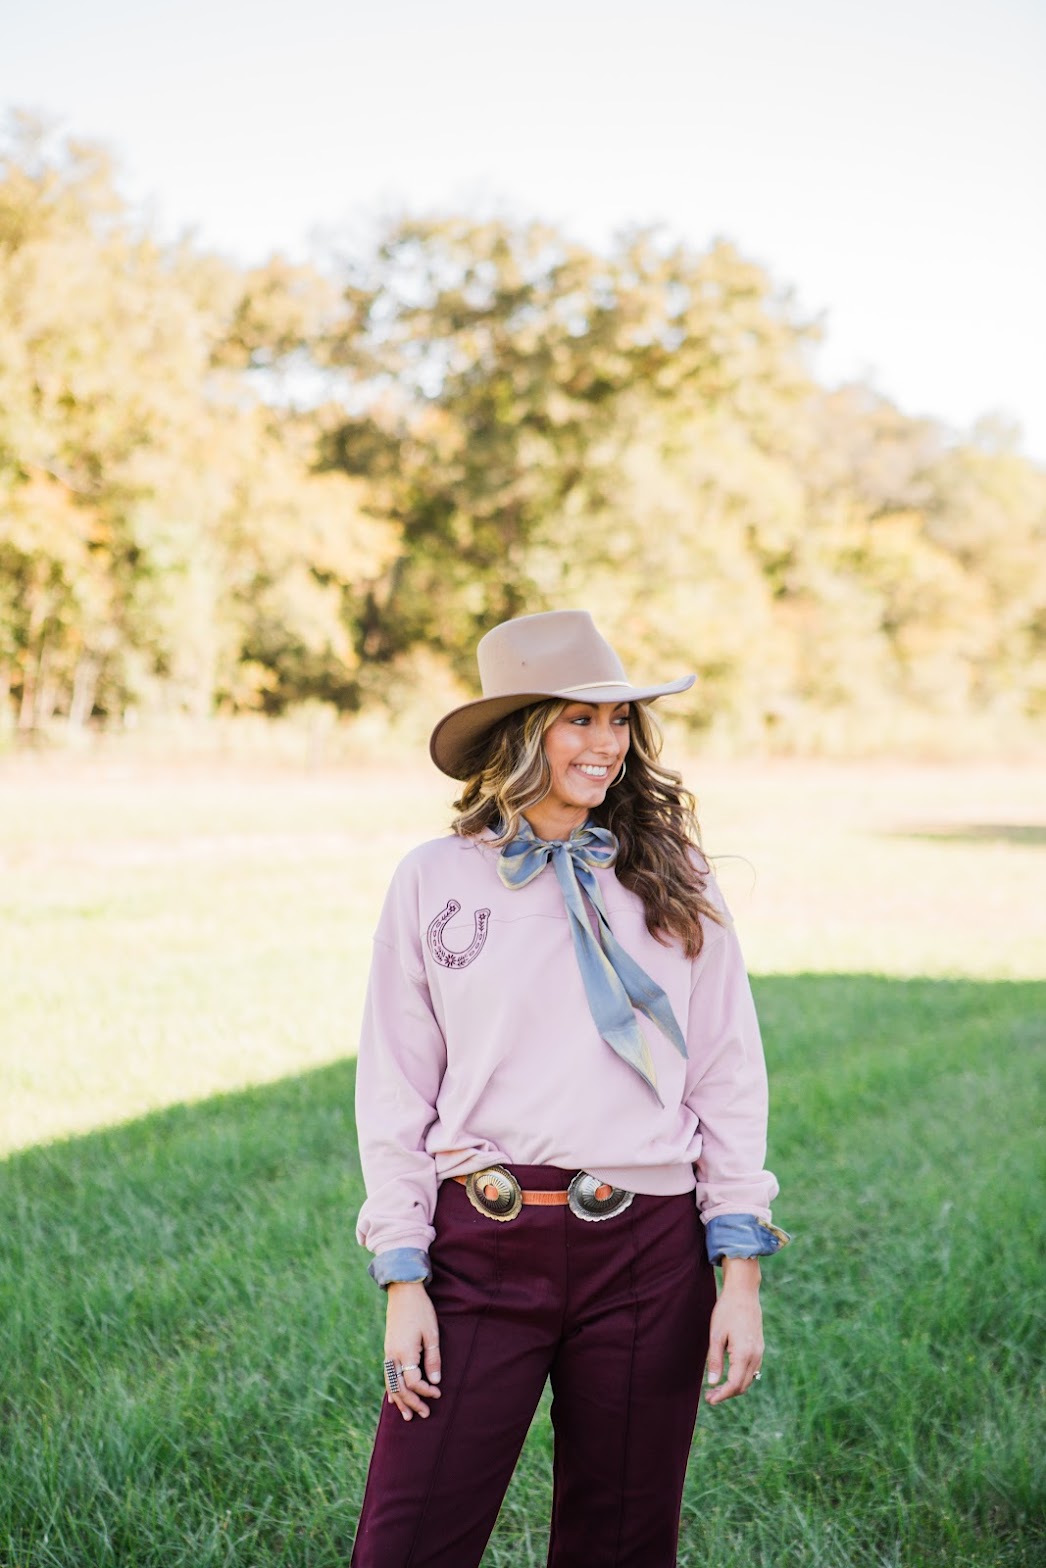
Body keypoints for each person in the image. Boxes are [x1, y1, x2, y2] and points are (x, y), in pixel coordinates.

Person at [350, 609, 789, 1568]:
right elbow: (394, 1089)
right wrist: (403, 1276)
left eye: (620, 720)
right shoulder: (433, 880)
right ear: (519, 735)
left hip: (647, 1253)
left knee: (622, 1544)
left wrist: (740, 1275)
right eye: (579, 720)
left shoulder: (676, 877)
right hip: (479, 1248)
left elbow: (727, 1073)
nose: (608, 743)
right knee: (407, 1542)